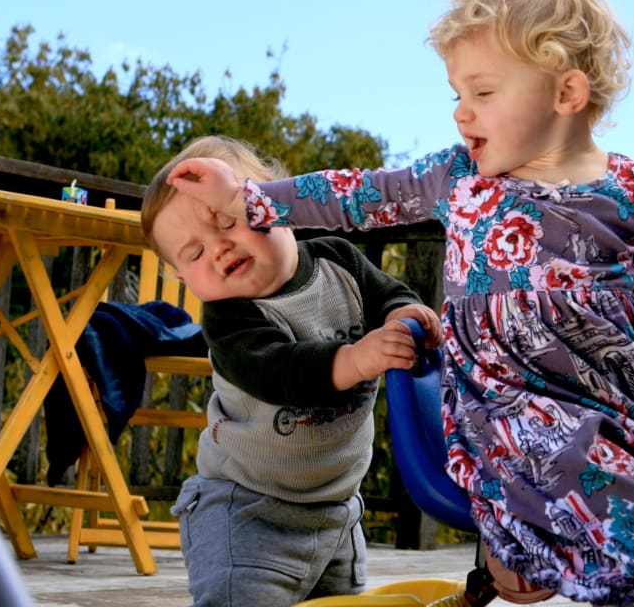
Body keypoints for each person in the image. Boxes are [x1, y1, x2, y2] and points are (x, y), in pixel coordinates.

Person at [166, 0, 634, 607]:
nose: (463, 112)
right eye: (457, 94)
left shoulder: (632, 188)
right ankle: (516, 542)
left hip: (609, 387)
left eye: (483, 93)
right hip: (506, 400)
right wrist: (253, 199)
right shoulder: (460, 177)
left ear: (566, 93)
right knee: (572, 464)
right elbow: (358, 195)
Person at [141, 135, 441, 607]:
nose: (218, 248)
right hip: (246, 511)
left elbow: (390, 294)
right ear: (183, 278)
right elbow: (279, 373)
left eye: (229, 220)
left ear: (281, 200)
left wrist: (405, 316)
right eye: (194, 254)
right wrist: (358, 359)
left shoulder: (338, 260)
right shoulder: (229, 318)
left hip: (338, 509)